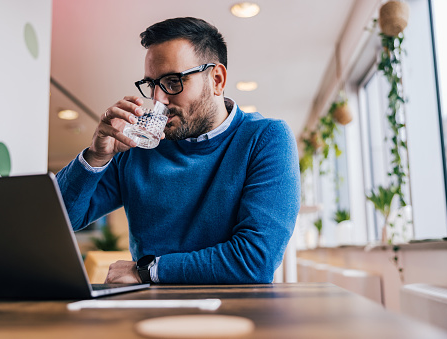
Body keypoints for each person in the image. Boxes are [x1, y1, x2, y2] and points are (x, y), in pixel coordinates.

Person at [56, 17, 300, 284]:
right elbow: (61, 220)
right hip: (150, 313)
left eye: (173, 82)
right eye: (152, 84)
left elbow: (255, 260)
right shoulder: (137, 147)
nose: (159, 99)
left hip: (235, 312)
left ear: (217, 80)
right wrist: (96, 156)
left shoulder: (265, 138)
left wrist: (146, 270)